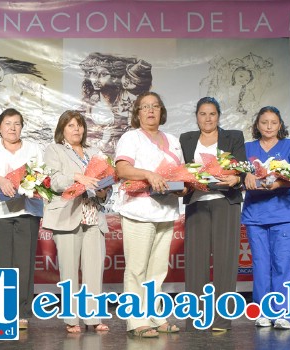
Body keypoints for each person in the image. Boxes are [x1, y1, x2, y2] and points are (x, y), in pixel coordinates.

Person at [114, 91, 186, 338]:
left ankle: (155, 315)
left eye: (155, 106)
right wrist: (149, 174)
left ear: (161, 111)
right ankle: (136, 319)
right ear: (137, 113)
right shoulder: (130, 138)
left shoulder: (173, 140)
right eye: (145, 107)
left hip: (165, 211)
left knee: (157, 270)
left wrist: (183, 186)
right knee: (136, 268)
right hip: (138, 210)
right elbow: (122, 169)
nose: (151, 110)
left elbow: (179, 174)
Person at [179, 97, 246, 332]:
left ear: (218, 116)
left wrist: (236, 178)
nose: (207, 118)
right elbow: (182, 171)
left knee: (225, 261)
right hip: (196, 202)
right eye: (202, 114)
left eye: (212, 114)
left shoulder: (234, 137)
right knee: (195, 262)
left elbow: (243, 170)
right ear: (196, 116)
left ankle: (221, 319)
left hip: (225, 202)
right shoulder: (186, 139)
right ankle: (195, 317)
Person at [42, 110, 110, 334]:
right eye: (71, 125)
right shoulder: (54, 150)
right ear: (62, 129)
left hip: (93, 215)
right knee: (69, 270)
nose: (76, 129)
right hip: (68, 215)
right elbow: (53, 180)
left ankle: (94, 317)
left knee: (94, 269)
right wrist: (77, 177)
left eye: (79, 125)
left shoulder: (93, 153)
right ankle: (72, 319)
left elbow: (104, 184)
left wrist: (102, 192)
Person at [0, 108, 44, 330]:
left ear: (22, 127)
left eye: (17, 123)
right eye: (8, 123)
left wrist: (29, 185)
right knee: (3, 261)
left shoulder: (34, 148)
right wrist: (1, 180)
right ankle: (4, 310)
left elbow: (41, 175)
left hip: (27, 210)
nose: (12, 128)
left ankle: (22, 312)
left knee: (24, 262)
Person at [241, 106, 290, 329]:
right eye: (264, 122)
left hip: (284, 214)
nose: (268, 126)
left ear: (280, 125)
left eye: (273, 122)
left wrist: (277, 183)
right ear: (257, 125)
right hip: (255, 215)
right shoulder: (247, 148)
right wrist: (244, 174)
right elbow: (234, 173)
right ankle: (262, 311)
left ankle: (284, 313)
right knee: (260, 264)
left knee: (282, 263)